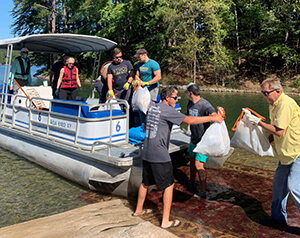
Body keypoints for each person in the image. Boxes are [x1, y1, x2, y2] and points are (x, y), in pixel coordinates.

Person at [133, 87, 223, 229]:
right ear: (167, 98)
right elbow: (189, 120)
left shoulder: (153, 108)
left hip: (147, 151)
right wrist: (212, 118)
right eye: (175, 98)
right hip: (159, 154)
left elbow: (145, 126)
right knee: (169, 185)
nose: (176, 100)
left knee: (146, 182)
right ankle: (165, 221)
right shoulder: (167, 110)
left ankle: (138, 211)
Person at [245, 78, 300, 228]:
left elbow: (279, 131)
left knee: (294, 187)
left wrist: (258, 122)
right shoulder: (273, 105)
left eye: (266, 93)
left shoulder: (285, 104)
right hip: (285, 153)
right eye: (262, 93)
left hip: (297, 152)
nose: (264, 96)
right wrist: (264, 141)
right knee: (278, 185)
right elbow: (276, 131)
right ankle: (277, 219)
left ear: (277, 91)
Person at [185, 83, 217, 197]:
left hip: (203, 141)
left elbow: (214, 115)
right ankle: (191, 182)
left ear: (191, 93)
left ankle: (203, 191)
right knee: (192, 162)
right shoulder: (190, 103)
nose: (186, 95)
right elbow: (188, 115)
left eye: (187, 93)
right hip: (193, 138)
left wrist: (216, 116)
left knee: (199, 166)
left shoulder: (205, 104)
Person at [133, 48, 161, 123]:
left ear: (144, 55)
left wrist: (148, 83)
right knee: (141, 106)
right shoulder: (139, 64)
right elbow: (137, 75)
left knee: (150, 107)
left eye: (139, 57)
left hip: (152, 88)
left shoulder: (153, 64)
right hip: (143, 89)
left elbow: (158, 77)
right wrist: (137, 80)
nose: (138, 59)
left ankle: (151, 125)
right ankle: (143, 125)